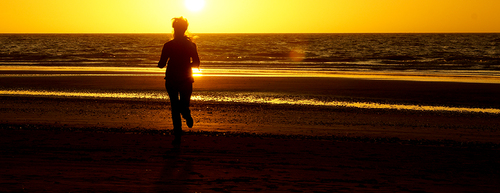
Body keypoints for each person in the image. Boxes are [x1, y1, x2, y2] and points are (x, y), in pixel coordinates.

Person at [158, 17, 200, 145]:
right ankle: (186, 115)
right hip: (186, 78)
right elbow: (197, 62)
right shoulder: (191, 45)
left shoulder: (168, 45)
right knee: (183, 104)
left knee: (175, 107)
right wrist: (187, 65)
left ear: (174, 29)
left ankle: (178, 135)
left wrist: (160, 64)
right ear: (185, 29)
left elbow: (161, 64)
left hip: (171, 78)